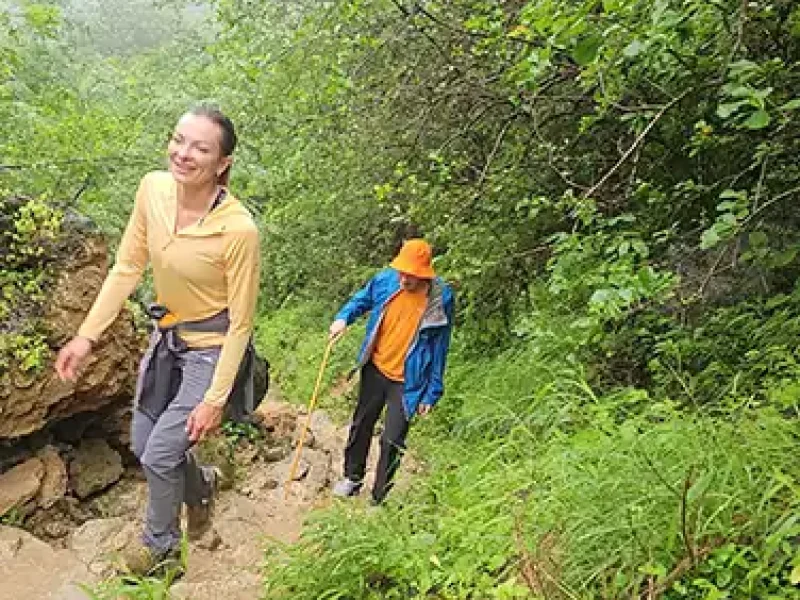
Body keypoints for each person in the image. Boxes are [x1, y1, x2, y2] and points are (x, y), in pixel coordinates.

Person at [54, 105, 260, 575]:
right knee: (145, 443)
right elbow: (127, 267)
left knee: (162, 452)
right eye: (178, 140)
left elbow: (242, 324)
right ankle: (201, 487)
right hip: (167, 339)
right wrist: (87, 336)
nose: (183, 154)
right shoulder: (153, 189)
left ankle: (161, 548)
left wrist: (214, 398)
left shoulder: (238, 230)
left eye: (200, 148)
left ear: (223, 163)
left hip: (211, 347)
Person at [329, 239, 454, 505]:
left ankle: (378, 498)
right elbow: (360, 300)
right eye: (402, 272)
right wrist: (343, 318)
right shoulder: (386, 280)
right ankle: (352, 477)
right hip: (376, 368)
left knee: (392, 440)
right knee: (362, 424)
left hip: (409, 381)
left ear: (425, 274)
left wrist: (432, 393)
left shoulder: (440, 298)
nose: (404, 279)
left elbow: (441, 347)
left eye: (411, 275)